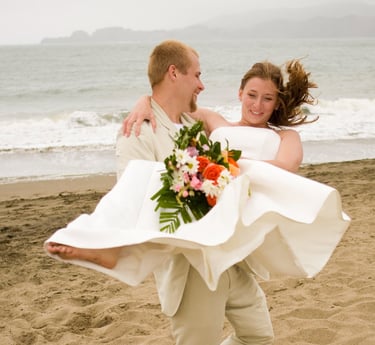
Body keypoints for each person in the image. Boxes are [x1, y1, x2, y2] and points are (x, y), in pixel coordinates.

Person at [45, 44, 350, 345]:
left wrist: (228, 167)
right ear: (240, 94)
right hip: (196, 261)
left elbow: (284, 167)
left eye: (267, 98)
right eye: (251, 95)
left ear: (276, 102)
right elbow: (160, 113)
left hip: (233, 255)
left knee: (258, 336)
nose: (257, 104)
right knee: (153, 179)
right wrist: (143, 102)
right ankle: (109, 246)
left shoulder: (273, 134)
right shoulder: (208, 122)